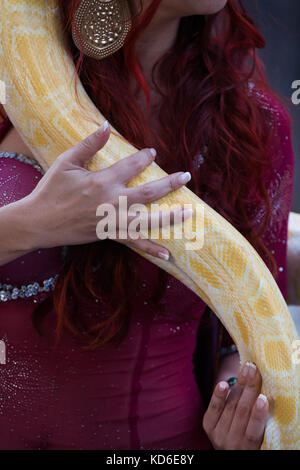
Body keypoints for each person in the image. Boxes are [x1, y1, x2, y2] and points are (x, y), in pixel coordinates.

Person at [0, 0, 294, 450]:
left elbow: (248, 341)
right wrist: (32, 225)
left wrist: (247, 411)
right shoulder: (9, 84)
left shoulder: (251, 127)